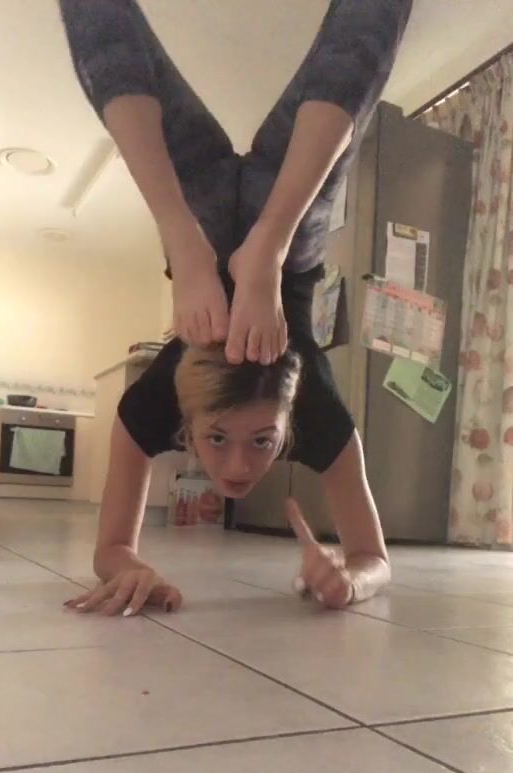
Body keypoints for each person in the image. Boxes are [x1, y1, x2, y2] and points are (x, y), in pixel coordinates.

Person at [59, 0, 412, 617]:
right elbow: (375, 559)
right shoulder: (319, 412)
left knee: (108, 31)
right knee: (356, 47)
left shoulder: (151, 404)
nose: (238, 464)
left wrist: (128, 564)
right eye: (221, 438)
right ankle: (259, 249)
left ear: (186, 416)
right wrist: (354, 579)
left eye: (258, 440)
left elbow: (110, 547)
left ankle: (193, 241)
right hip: (285, 230)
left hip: (201, 218)